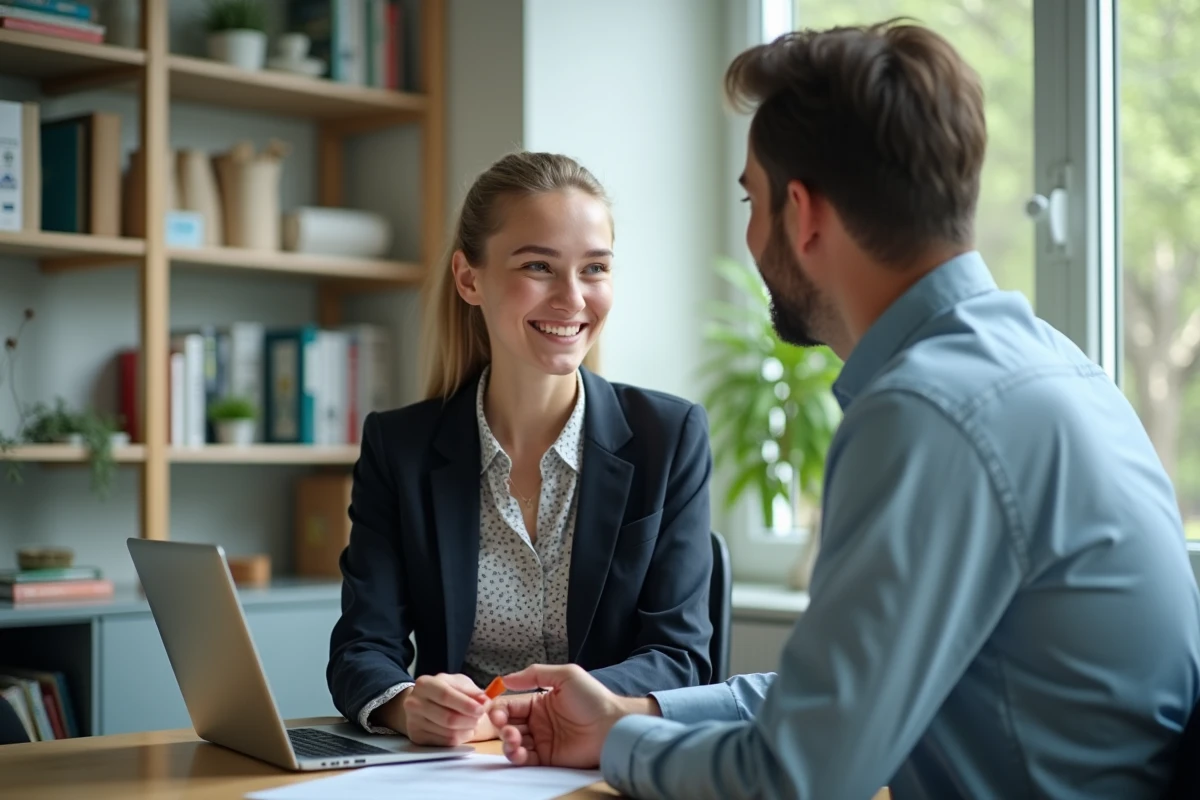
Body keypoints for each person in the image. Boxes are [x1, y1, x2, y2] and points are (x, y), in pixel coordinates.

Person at [487, 21, 1200, 798]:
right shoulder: (1049, 367)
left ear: (804, 213)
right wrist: (639, 711)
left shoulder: (928, 413)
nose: (752, 236)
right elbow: (845, 703)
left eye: (750, 201)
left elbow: (798, 774)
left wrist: (625, 747)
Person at [327, 151, 715, 747]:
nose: (572, 298)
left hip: (603, 766)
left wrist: (518, 708)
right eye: (539, 265)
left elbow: (679, 657)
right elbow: (361, 647)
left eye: (594, 268)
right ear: (469, 278)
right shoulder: (397, 447)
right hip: (452, 773)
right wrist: (407, 704)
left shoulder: (670, 437)